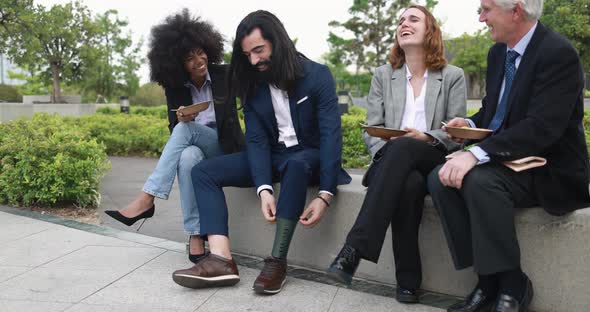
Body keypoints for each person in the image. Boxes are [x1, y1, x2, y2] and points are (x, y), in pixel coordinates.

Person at [171, 10, 351, 294]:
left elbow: (331, 137)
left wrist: (325, 194)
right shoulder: (252, 86)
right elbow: (256, 141)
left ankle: (277, 261)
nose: (254, 60)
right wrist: (264, 188)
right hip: (275, 157)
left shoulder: (317, 76)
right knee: (203, 171)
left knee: (297, 164)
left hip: (309, 156)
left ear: (278, 42)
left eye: (259, 50)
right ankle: (221, 259)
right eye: (248, 55)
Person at [427, 0, 590, 311]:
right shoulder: (498, 52)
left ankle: (513, 283)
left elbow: (542, 128)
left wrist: (475, 154)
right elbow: (495, 110)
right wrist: (471, 124)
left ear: (516, 10)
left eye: (486, 9)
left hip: (550, 168)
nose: (481, 18)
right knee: (440, 178)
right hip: (509, 159)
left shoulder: (559, 54)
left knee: (480, 181)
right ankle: (487, 279)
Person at [325, 5, 466, 304]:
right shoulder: (383, 75)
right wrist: (389, 153)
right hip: (391, 163)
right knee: (407, 184)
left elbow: (457, 134)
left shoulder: (452, 76)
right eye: (400, 20)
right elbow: (372, 129)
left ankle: (354, 249)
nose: (404, 23)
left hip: (432, 157)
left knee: (405, 149)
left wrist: (425, 137)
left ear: (430, 30)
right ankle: (408, 281)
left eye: (413, 19)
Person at [104, 9, 244, 264]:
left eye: (201, 52)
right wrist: (181, 119)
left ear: (209, 49)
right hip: (197, 149)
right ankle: (195, 235)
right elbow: (175, 134)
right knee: (188, 156)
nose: (198, 60)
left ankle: (147, 198)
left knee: (185, 132)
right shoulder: (176, 88)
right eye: (189, 58)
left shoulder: (225, 75)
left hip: (226, 149)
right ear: (177, 64)